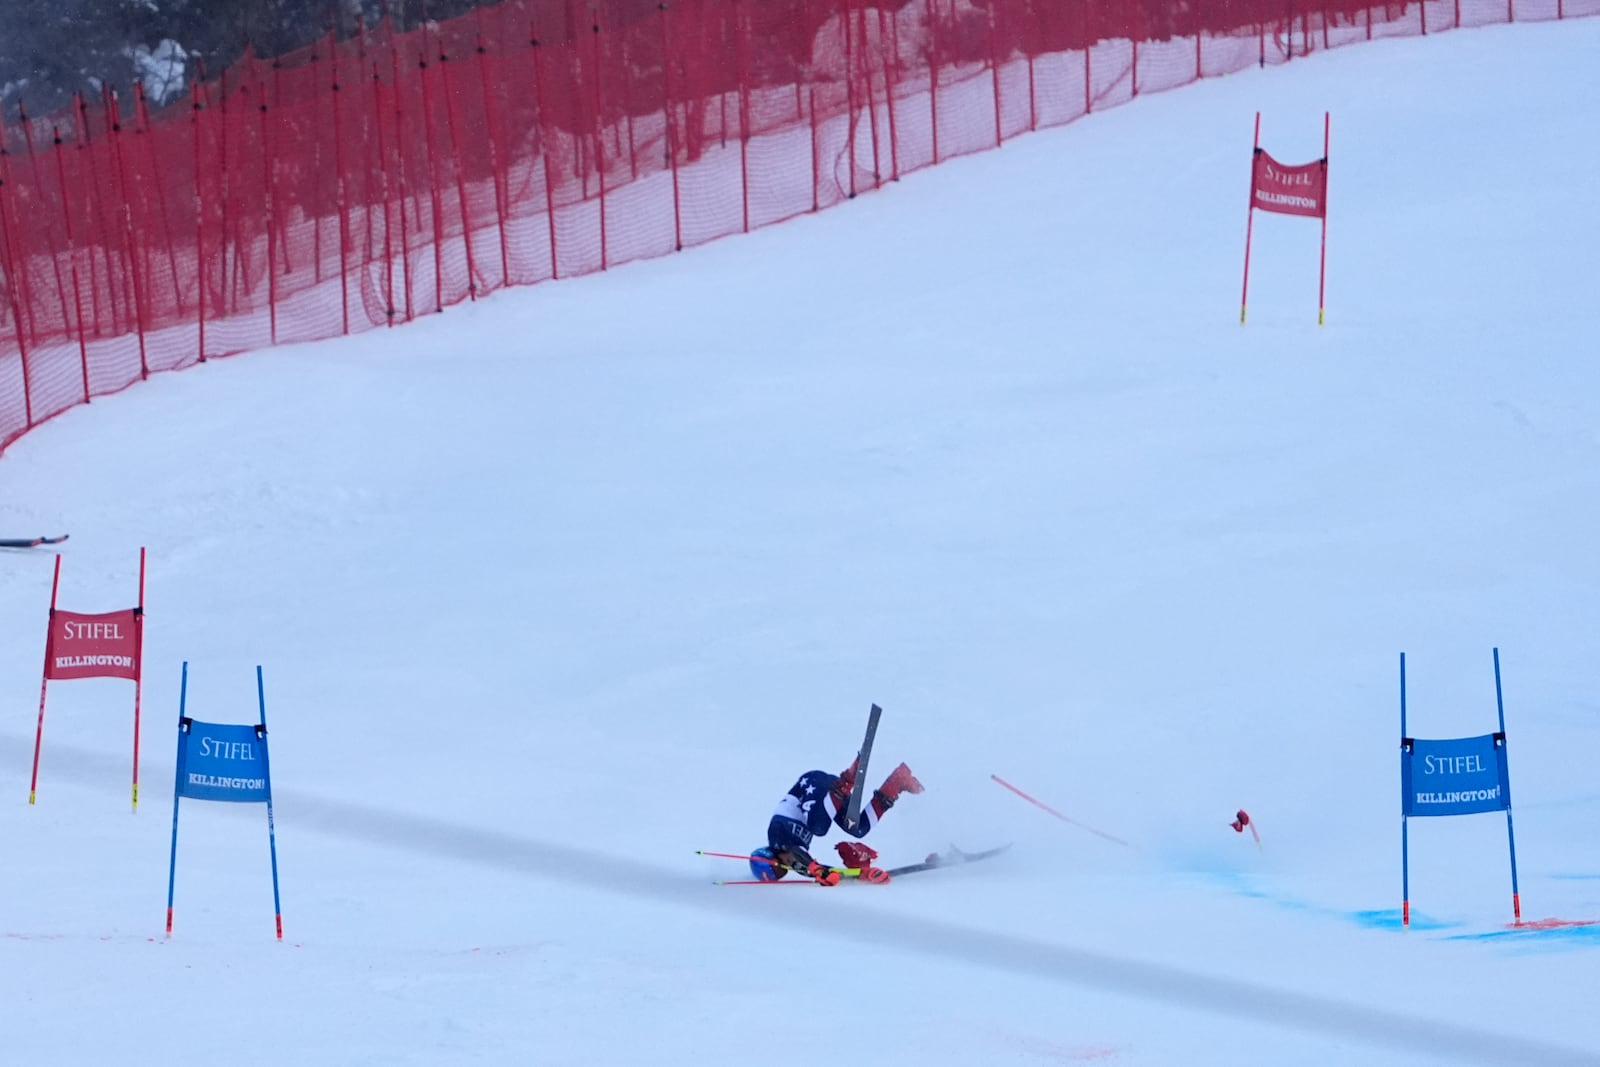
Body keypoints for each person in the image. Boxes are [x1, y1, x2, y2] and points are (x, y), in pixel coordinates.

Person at [750, 758, 924, 884]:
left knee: (818, 827)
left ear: (772, 854)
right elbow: (826, 870)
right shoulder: (797, 862)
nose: (790, 865)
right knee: (859, 827)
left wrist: (815, 869)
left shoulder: (776, 834)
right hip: (828, 800)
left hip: (813, 784)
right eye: (786, 870)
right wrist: (861, 873)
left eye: (782, 864)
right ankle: (896, 783)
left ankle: (848, 780)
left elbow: (796, 852)